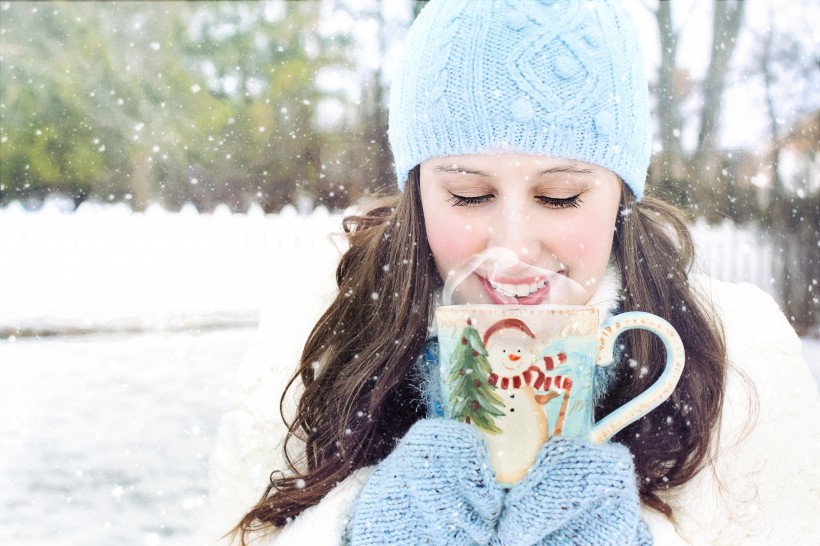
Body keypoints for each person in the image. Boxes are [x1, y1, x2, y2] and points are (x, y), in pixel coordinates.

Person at [209, 0, 820, 544]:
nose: (512, 247)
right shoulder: (322, 340)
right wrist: (351, 528)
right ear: (417, 193)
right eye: (469, 195)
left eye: (559, 197)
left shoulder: (739, 363)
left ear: (620, 197)